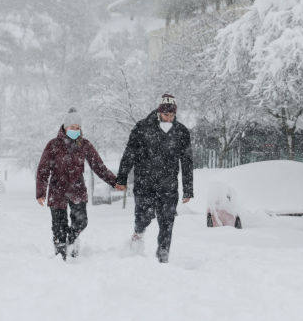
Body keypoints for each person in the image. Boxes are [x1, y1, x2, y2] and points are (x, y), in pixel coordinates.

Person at [36, 107, 123, 260]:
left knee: (81, 222)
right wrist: (41, 192)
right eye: (72, 127)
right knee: (58, 227)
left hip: (77, 189)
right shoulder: (53, 145)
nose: (75, 130)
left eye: (77, 128)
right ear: (65, 127)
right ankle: (60, 256)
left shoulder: (85, 145)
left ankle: (72, 240)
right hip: (57, 190)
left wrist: (114, 181)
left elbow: (99, 166)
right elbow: (43, 169)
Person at [115, 93, 193, 263]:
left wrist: (188, 189)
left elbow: (187, 162)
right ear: (159, 112)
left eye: (172, 115)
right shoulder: (142, 128)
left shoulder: (181, 132)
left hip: (169, 186)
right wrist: (121, 178)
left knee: (167, 224)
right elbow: (129, 154)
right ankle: (138, 234)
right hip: (145, 184)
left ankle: (162, 258)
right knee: (144, 218)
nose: (169, 118)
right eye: (166, 115)